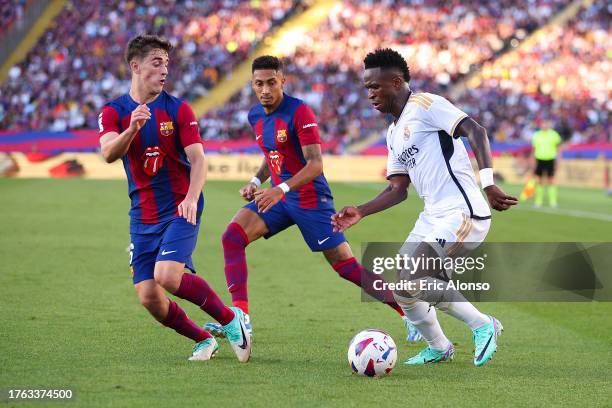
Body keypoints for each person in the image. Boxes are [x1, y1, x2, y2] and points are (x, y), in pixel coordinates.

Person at [205, 55, 420, 342]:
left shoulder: (299, 112)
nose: (266, 89)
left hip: (309, 199)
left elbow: (315, 164)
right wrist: (257, 181)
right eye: (259, 84)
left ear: (283, 80)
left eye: (271, 82)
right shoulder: (255, 115)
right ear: (252, 85)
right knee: (232, 237)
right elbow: (273, 154)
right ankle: (239, 319)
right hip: (279, 197)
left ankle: (411, 315)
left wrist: (278, 190)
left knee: (345, 267)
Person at [331, 48, 518, 366]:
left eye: (375, 86)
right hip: (432, 216)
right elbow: (398, 189)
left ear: (396, 81)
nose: (370, 95)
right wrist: (361, 210)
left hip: (463, 212)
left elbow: (476, 130)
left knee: (415, 277)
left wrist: (487, 183)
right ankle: (439, 346)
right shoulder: (392, 132)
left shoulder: (426, 105)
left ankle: (482, 325)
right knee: (405, 288)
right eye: (367, 88)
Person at [98, 34, 250, 362]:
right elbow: (109, 153)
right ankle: (204, 340)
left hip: (182, 204)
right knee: (149, 296)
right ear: (135, 66)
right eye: (157, 62)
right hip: (142, 214)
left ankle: (230, 318)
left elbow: (198, 160)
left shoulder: (178, 109)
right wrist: (132, 129)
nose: (164, 69)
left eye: (166, 63)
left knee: (167, 275)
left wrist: (192, 198)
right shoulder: (113, 112)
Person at [522, 120, 563, 207]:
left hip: (550, 159)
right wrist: (532, 160)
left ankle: (553, 202)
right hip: (539, 159)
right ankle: (538, 202)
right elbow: (533, 149)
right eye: (543, 124)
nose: (544, 125)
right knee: (539, 181)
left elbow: (559, 149)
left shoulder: (554, 135)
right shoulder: (537, 135)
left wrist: (558, 160)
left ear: (549, 125)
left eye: (546, 124)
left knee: (551, 180)